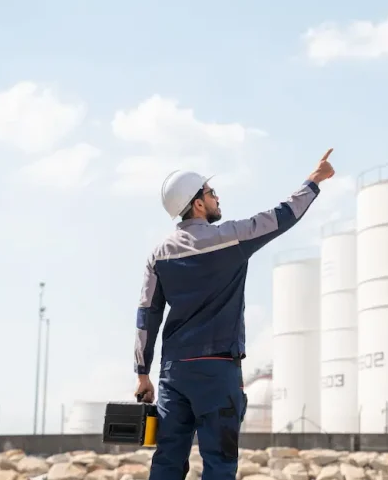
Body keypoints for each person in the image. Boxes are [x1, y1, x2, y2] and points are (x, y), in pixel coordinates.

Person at [132, 149, 335, 480]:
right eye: (210, 193)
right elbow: (283, 215)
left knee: (167, 462)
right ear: (198, 203)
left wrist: (142, 373)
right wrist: (314, 179)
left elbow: (147, 316)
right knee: (219, 464)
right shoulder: (230, 238)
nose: (216, 198)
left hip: (174, 374)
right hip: (217, 370)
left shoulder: (158, 255)